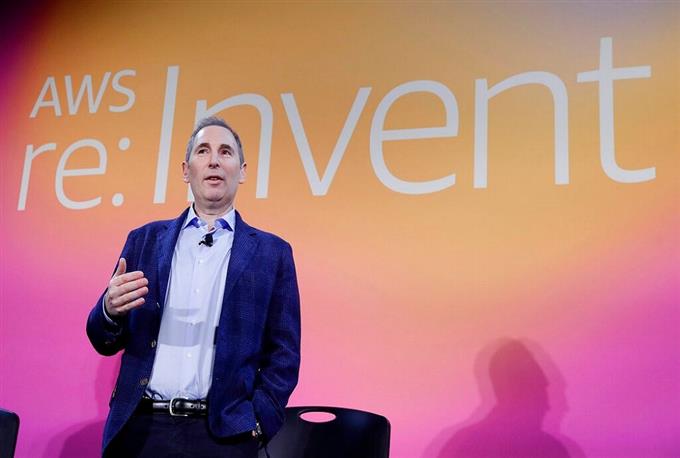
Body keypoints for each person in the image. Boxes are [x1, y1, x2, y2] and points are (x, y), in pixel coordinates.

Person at [86, 116, 301, 457]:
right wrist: (109, 311)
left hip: (224, 438)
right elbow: (102, 338)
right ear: (186, 170)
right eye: (203, 151)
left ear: (242, 171)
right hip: (141, 431)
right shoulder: (144, 241)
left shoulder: (272, 254)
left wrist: (258, 422)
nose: (214, 160)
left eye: (225, 152)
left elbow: (284, 354)